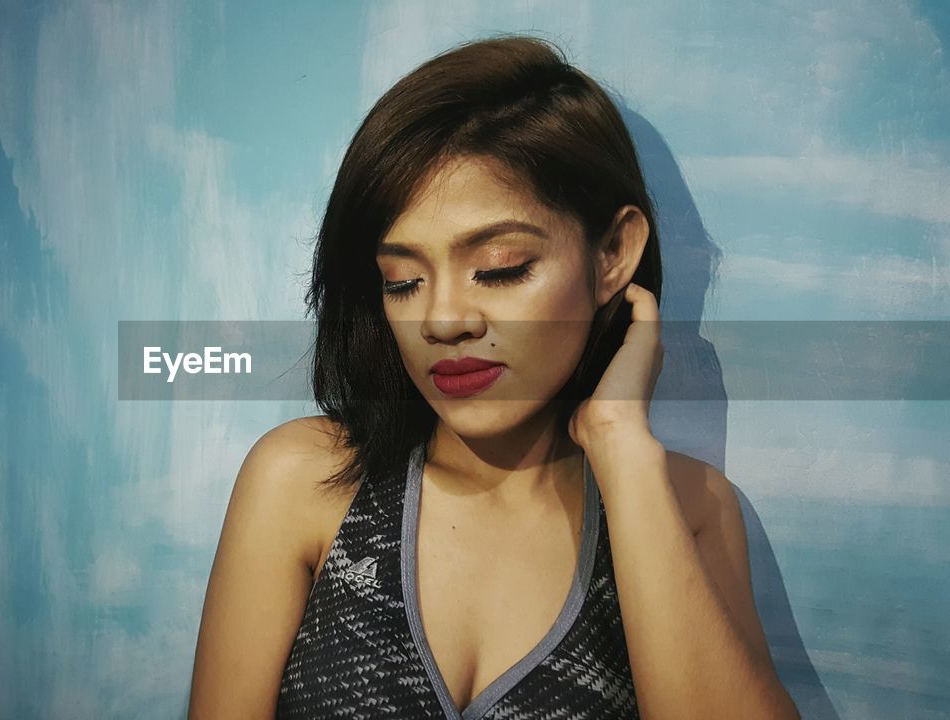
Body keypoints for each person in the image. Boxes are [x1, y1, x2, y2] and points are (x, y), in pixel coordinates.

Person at [188, 34, 798, 720]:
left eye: (502, 267)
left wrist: (620, 442)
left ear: (613, 255)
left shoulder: (692, 510)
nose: (443, 321)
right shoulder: (303, 480)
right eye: (404, 281)